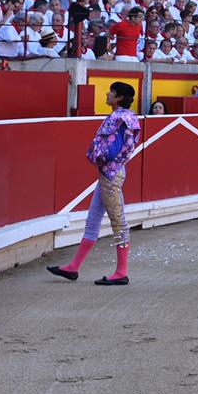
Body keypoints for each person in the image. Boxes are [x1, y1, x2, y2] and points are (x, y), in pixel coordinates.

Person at [48, 82, 142, 285]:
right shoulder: (129, 117)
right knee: (93, 220)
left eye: (112, 92)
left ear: (118, 98)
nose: (107, 94)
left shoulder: (117, 118)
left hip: (110, 173)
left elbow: (112, 149)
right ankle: (73, 268)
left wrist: (102, 158)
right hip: (112, 172)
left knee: (118, 222)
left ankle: (122, 272)